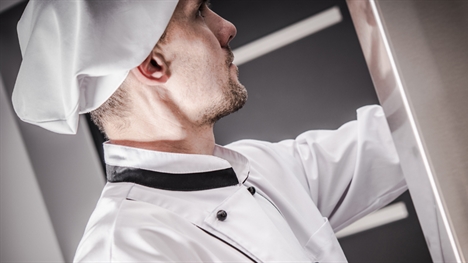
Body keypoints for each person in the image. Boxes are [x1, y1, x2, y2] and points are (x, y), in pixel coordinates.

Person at [12, 0, 406, 262]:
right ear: (152, 64)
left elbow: (402, 140)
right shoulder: (127, 249)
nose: (227, 27)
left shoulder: (260, 166)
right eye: (199, 12)